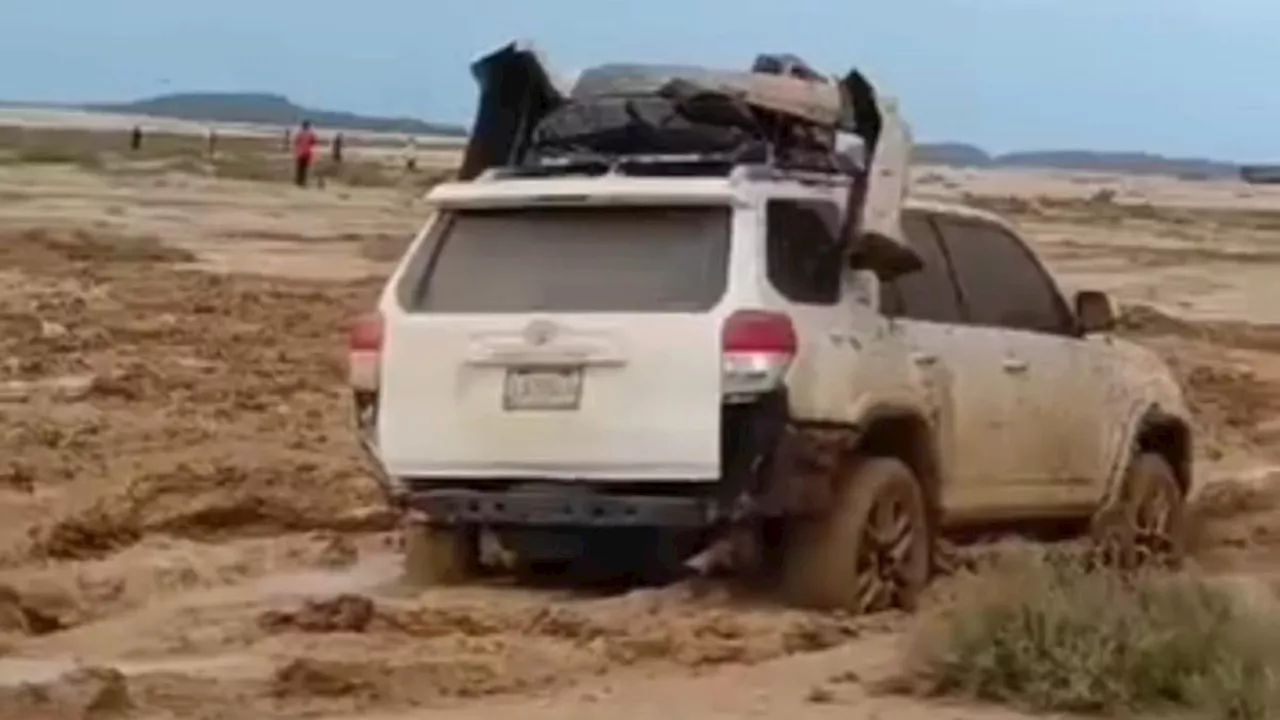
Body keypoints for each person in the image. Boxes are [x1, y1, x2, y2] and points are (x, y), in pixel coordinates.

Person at [293, 120, 318, 187]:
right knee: (305, 168)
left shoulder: (300, 133)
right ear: (308, 126)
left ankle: (298, 181)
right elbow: (314, 142)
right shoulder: (311, 134)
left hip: (300, 152)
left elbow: (296, 142)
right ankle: (303, 181)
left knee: (300, 168)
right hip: (307, 153)